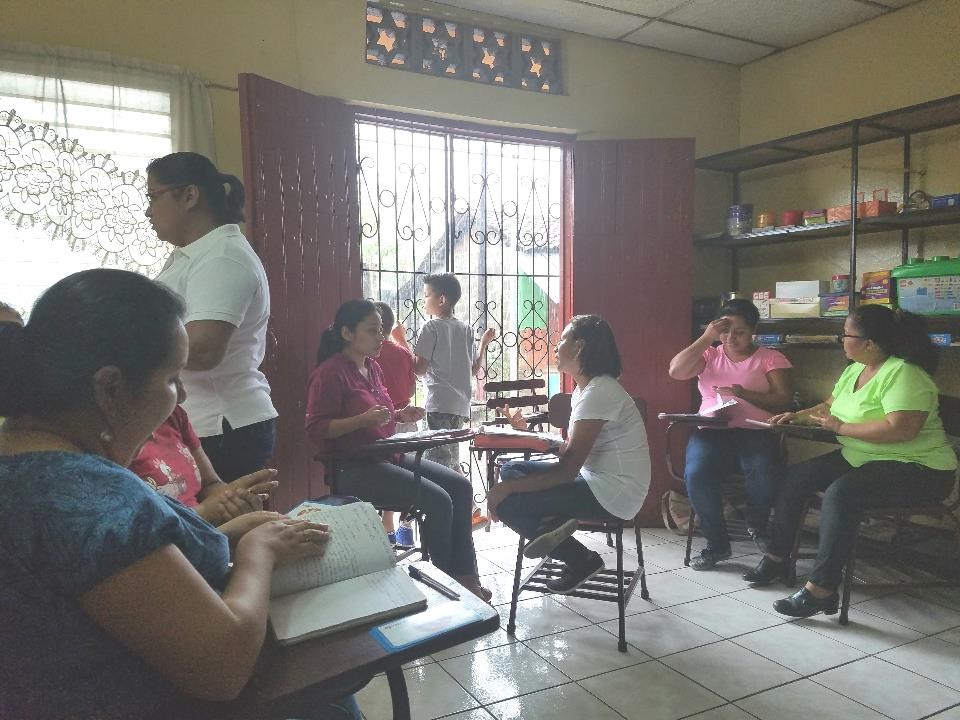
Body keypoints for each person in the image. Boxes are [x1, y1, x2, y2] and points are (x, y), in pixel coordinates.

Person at [0, 268, 360, 719]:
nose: (182, 394)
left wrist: (226, 534)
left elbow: (114, 575)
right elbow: (221, 667)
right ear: (110, 388)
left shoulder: (26, 466)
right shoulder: (87, 499)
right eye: (172, 379)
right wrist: (257, 552)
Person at [743, 305, 957, 618]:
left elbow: (902, 429)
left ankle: (822, 589)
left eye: (846, 334)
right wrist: (799, 417)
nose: (841, 339)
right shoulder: (855, 369)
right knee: (797, 477)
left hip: (918, 468)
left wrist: (842, 428)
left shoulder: (905, 374)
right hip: (861, 456)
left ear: (869, 343)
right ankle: (777, 559)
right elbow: (830, 406)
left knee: (842, 494)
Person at [305, 299, 490, 601]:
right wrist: (361, 420)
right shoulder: (330, 373)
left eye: (381, 330)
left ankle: (466, 578)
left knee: (460, 486)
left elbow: (379, 415)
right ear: (347, 333)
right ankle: (448, 589)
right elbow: (316, 430)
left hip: (387, 454)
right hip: (354, 467)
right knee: (439, 501)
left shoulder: (373, 368)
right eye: (372, 331)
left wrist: (398, 415)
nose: (381, 337)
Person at [487, 315, 651, 594]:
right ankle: (552, 525)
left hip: (614, 492)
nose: (555, 345)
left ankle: (582, 560)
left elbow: (566, 470)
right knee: (510, 468)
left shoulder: (601, 391)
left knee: (508, 503)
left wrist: (505, 490)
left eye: (562, 339)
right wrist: (528, 434)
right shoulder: (584, 389)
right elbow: (571, 450)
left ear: (579, 347)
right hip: (593, 478)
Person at [149, 152, 277, 482]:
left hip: (221, 424)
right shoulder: (193, 254)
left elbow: (204, 350)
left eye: (154, 197)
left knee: (221, 529)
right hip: (204, 422)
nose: (148, 211)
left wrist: (123, 346)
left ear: (190, 195)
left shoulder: (222, 257)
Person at [668, 299, 793, 570]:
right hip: (713, 431)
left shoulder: (770, 357)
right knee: (697, 472)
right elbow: (676, 371)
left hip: (755, 431)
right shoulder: (711, 354)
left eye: (739, 332)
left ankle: (756, 525)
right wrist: (707, 338)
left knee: (762, 468)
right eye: (725, 331)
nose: (731, 338)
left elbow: (784, 400)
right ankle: (717, 544)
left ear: (753, 331)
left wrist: (743, 394)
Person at [130, 378, 280, 526]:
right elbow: (147, 537)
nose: (183, 396)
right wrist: (207, 512)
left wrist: (233, 498)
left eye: (181, 379)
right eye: (170, 380)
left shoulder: (173, 415)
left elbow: (210, 484)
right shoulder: (115, 450)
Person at [413, 273, 495, 471]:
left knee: (435, 464)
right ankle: (464, 499)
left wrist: (400, 343)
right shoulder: (466, 329)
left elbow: (419, 369)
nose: (423, 300)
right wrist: (483, 344)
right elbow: (474, 369)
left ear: (441, 300)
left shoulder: (430, 327)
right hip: (459, 406)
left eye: (426, 295)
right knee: (449, 458)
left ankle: (448, 500)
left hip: (438, 403)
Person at [372, 301, 417, 545]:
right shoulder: (402, 352)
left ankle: (387, 530)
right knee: (409, 473)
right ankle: (405, 527)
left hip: (383, 420)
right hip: (405, 415)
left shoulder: (372, 356)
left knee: (390, 475)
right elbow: (411, 386)